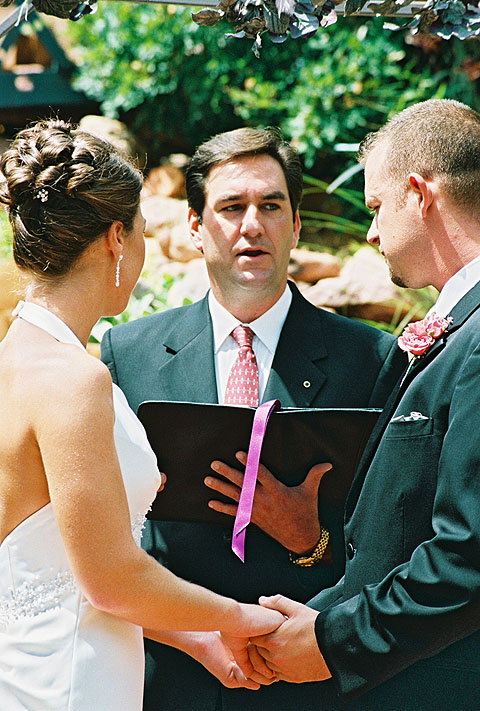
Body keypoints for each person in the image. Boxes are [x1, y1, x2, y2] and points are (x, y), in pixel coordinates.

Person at [101, 126, 407, 711]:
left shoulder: (371, 358)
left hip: (308, 680)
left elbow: (391, 546)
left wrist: (310, 541)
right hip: (172, 678)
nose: (252, 225)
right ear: (195, 226)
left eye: (271, 205)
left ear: (296, 224)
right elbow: (107, 536)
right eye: (231, 207)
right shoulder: (128, 354)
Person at [0, 119, 287, 711]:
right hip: (70, 680)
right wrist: (237, 618)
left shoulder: (15, 359)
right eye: (142, 232)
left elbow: (77, 572)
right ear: (116, 239)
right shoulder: (74, 380)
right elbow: (111, 579)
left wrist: (201, 641)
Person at [249, 99, 480, 711]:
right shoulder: (461, 327)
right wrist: (316, 619)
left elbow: (468, 557)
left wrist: (333, 640)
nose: (371, 232)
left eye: (376, 207)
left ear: (418, 194)